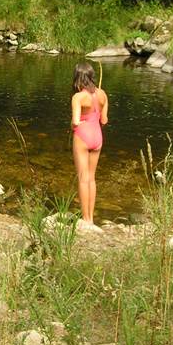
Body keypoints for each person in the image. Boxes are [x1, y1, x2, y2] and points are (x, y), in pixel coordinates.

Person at [71, 62, 109, 224]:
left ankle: (85, 219)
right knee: (91, 179)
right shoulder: (103, 94)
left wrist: (74, 124)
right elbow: (104, 120)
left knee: (82, 178)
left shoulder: (78, 97)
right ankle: (91, 219)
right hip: (97, 137)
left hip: (83, 136)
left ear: (78, 78)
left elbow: (75, 122)